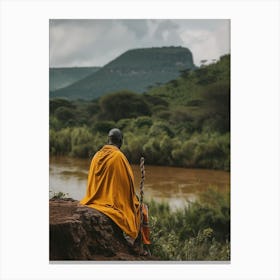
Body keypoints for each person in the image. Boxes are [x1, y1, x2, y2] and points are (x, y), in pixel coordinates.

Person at [80, 128, 150, 250]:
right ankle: (136, 246)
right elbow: (126, 184)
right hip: (111, 203)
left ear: (109, 139)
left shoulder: (97, 155)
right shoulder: (118, 156)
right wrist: (133, 197)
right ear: (120, 141)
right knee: (142, 209)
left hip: (92, 199)